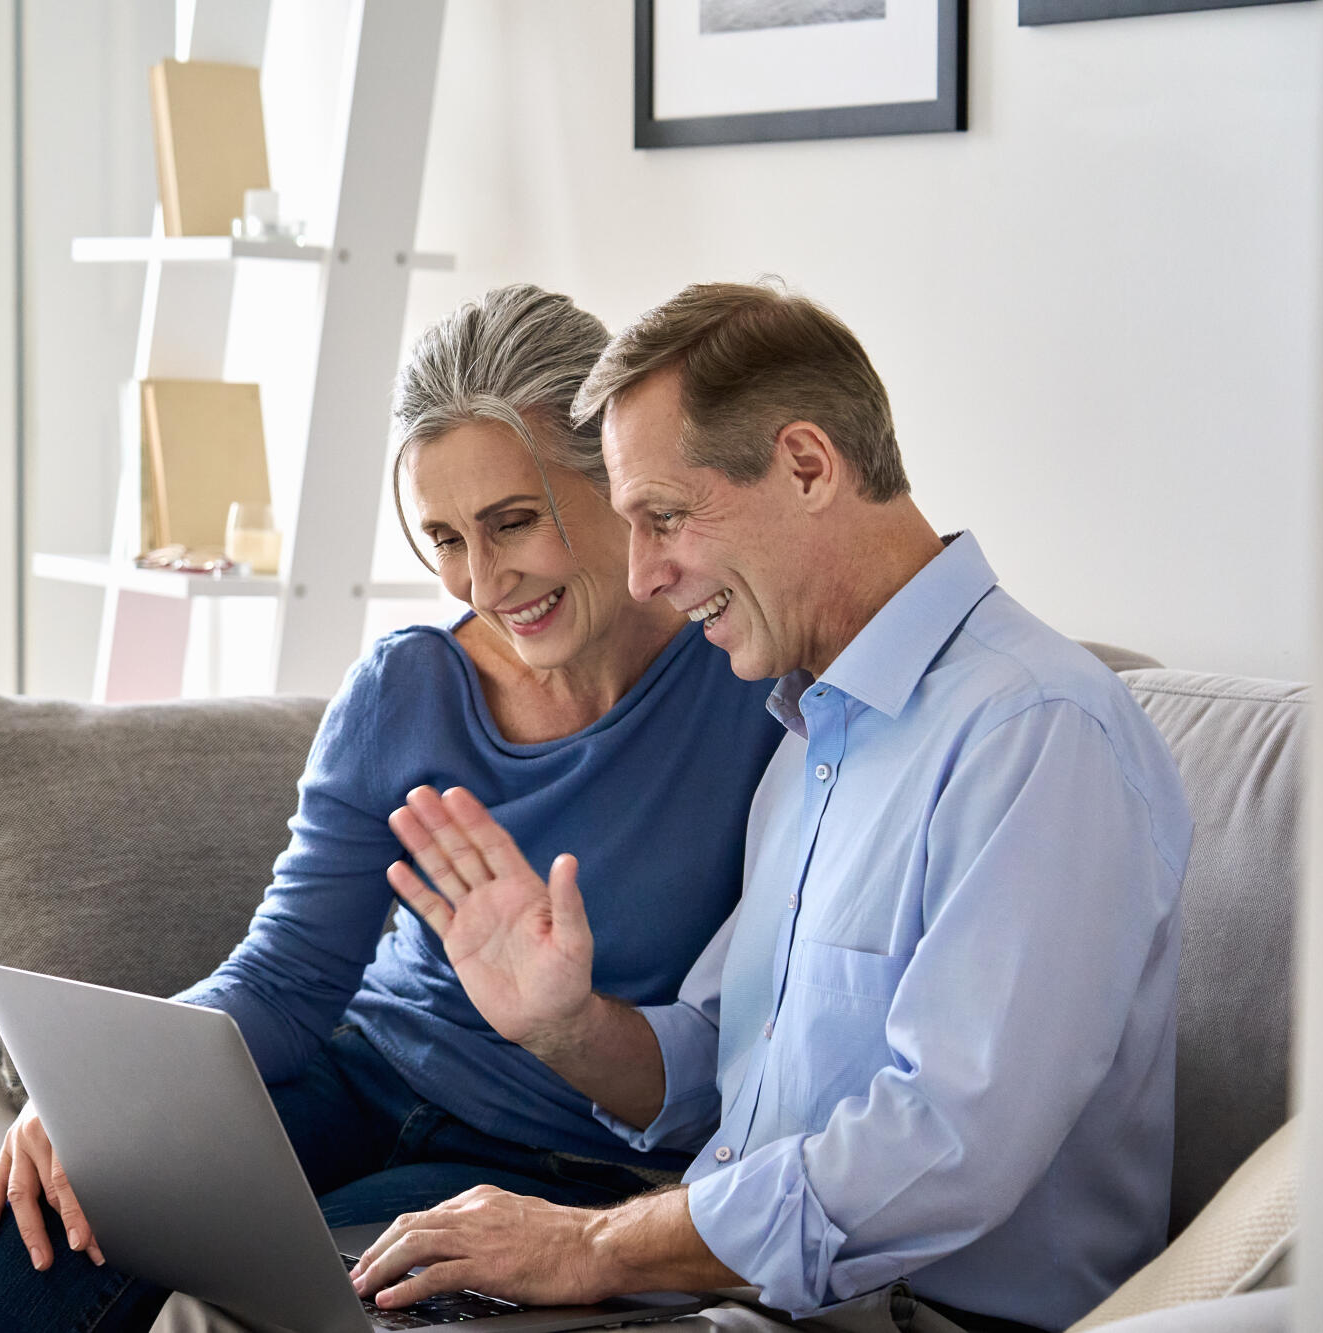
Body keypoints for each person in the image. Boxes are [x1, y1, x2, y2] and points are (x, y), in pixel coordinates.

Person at [0, 285, 786, 1331]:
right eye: (446, 538)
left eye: (512, 521)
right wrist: (104, 1103)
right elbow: (285, 976)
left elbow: (756, 1046)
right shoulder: (402, 692)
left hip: (553, 1158)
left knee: (327, 1291)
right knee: (63, 1210)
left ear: (618, 482)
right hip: (356, 1075)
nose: (484, 580)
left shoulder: (752, 688)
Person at [355, 281, 1192, 1333]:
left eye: (662, 518)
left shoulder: (1035, 730)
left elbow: (943, 1147)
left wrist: (590, 1246)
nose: (646, 575)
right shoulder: (813, 730)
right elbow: (717, 1063)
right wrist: (564, 1024)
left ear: (805, 464)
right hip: (736, 1299)